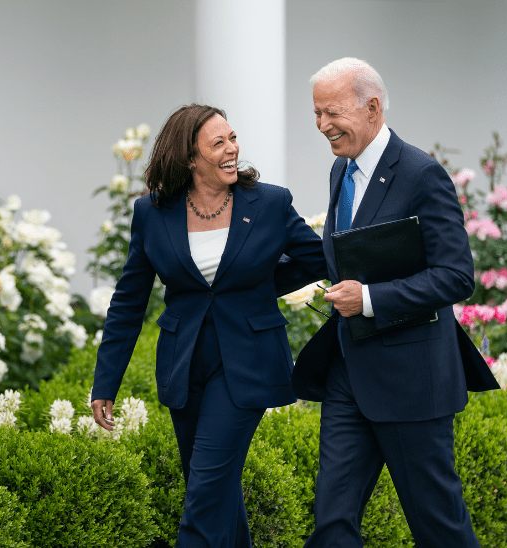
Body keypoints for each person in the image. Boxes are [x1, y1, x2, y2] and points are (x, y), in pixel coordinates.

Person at [90, 104, 326, 548]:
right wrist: (105, 382)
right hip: (185, 363)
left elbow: (316, 258)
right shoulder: (152, 212)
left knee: (203, 491)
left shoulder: (270, 202)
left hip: (247, 362)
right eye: (218, 143)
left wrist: (259, 287)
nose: (232, 149)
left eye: (233, 138)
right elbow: (128, 301)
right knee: (216, 489)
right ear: (189, 158)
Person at [288, 58, 500, 547]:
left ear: (373, 107)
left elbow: (455, 276)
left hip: (413, 379)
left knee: (439, 528)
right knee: (332, 522)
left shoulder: (422, 174)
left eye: (332, 113)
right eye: (316, 113)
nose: (322, 125)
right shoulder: (341, 169)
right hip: (348, 375)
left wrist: (369, 299)